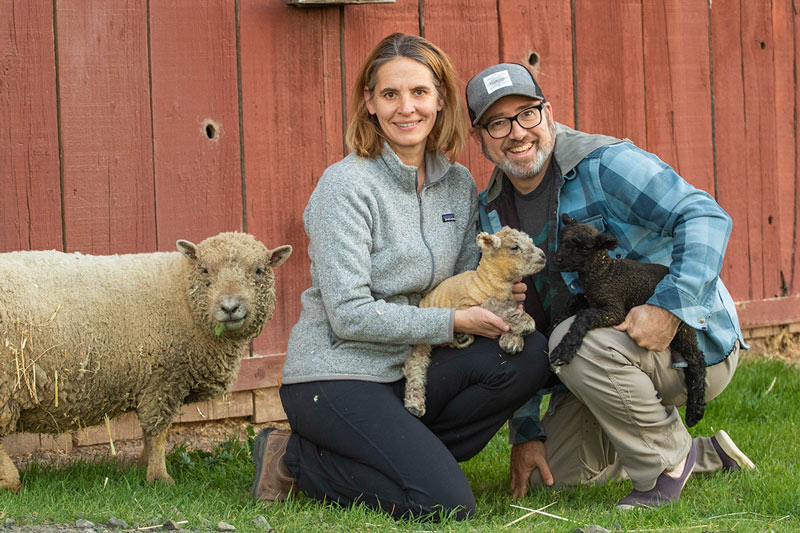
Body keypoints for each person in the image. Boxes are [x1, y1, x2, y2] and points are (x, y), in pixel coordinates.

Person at [248, 36, 552, 520]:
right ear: (369, 102)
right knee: (444, 503)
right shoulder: (346, 187)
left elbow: (457, 286)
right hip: (340, 373)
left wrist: (488, 295)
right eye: (390, 94)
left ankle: (403, 454)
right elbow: (348, 315)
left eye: (419, 93)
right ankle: (293, 456)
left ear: (439, 101)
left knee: (529, 352)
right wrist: (454, 322)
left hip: (414, 363)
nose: (406, 108)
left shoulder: (457, 185)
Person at [464, 63, 755, 510]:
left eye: (527, 114)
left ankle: (664, 467)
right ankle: (699, 453)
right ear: (480, 137)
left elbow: (705, 216)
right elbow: (516, 325)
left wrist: (669, 308)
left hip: (686, 344)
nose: (517, 133)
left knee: (572, 337)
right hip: (603, 357)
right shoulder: (493, 214)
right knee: (557, 480)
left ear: (549, 113)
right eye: (497, 123)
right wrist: (526, 431)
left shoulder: (606, 164)